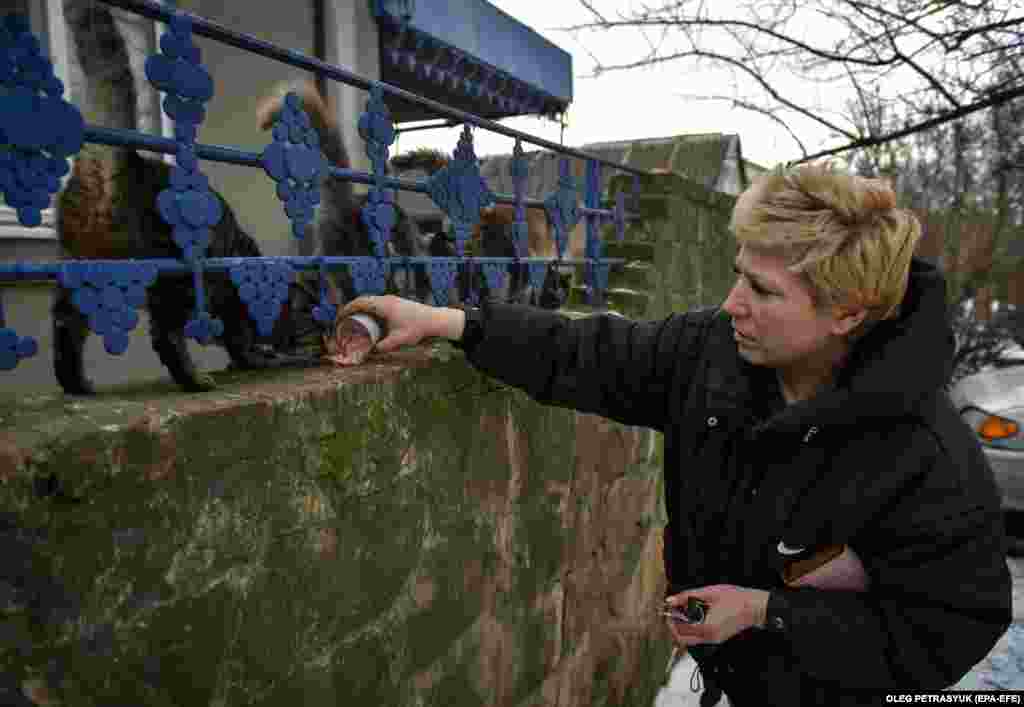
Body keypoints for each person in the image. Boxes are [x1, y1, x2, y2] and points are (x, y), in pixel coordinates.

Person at [339, 163, 1012, 705]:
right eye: (738, 273)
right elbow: (588, 353)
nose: (731, 304)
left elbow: (955, 626)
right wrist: (452, 323)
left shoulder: (926, 457)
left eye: (762, 290)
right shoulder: (713, 355)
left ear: (846, 313)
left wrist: (767, 612)